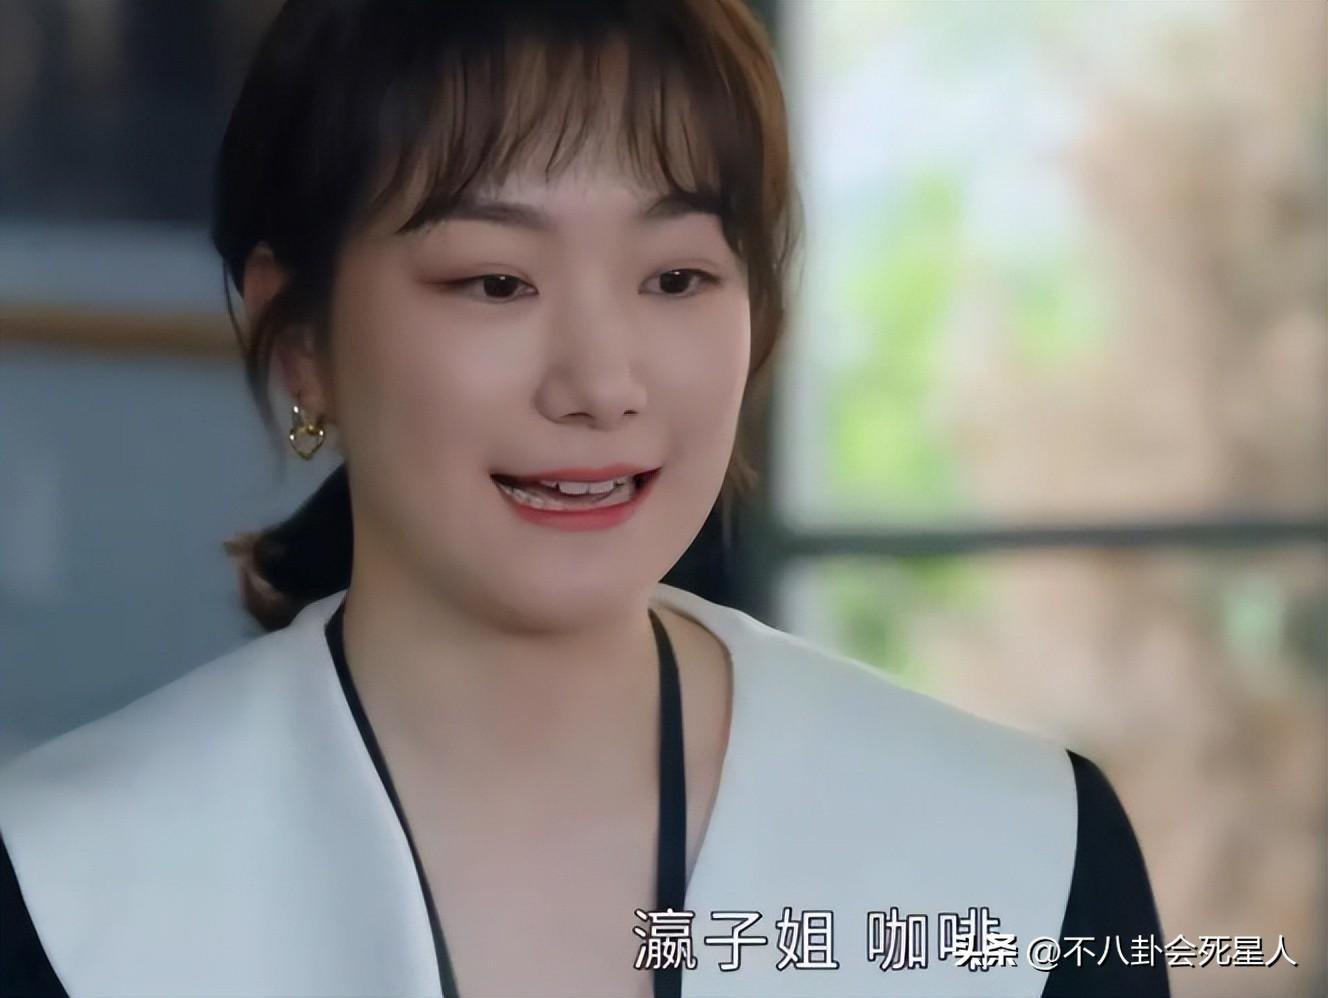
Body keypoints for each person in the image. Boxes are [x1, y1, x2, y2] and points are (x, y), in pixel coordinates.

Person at [0, 2, 1169, 995]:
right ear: (299, 335)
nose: (601, 383)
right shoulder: (67, 884)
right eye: (494, 281)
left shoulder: (1019, 853)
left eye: (676, 276)